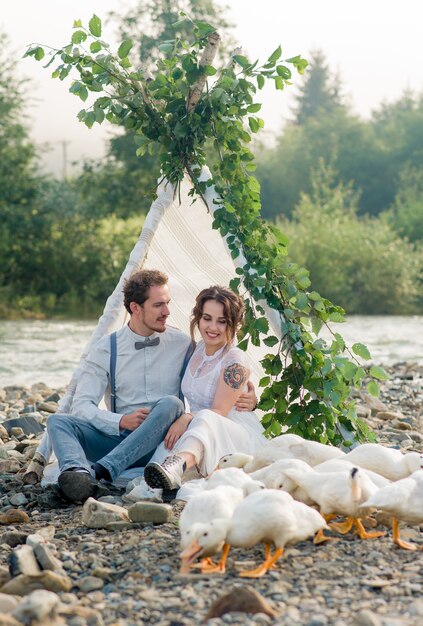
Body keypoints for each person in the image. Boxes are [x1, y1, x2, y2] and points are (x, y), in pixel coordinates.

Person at [47, 270, 257, 502]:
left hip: (166, 439)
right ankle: (78, 476)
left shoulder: (183, 344)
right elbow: (82, 406)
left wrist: (250, 398)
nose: (167, 312)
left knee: (172, 403)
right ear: (136, 308)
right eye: (159, 305)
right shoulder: (106, 348)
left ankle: (103, 471)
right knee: (58, 421)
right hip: (121, 439)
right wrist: (119, 421)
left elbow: (221, 376)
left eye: (167, 303)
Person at [144, 285, 267, 491]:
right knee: (155, 476)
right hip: (198, 429)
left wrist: (187, 417)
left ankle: (178, 465)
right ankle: (174, 468)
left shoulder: (234, 360)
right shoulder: (197, 348)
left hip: (228, 430)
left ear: (234, 325)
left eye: (222, 322)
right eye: (207, 318)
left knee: (205, 418)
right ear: (198, 318)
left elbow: (219, 412)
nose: (213, 327)